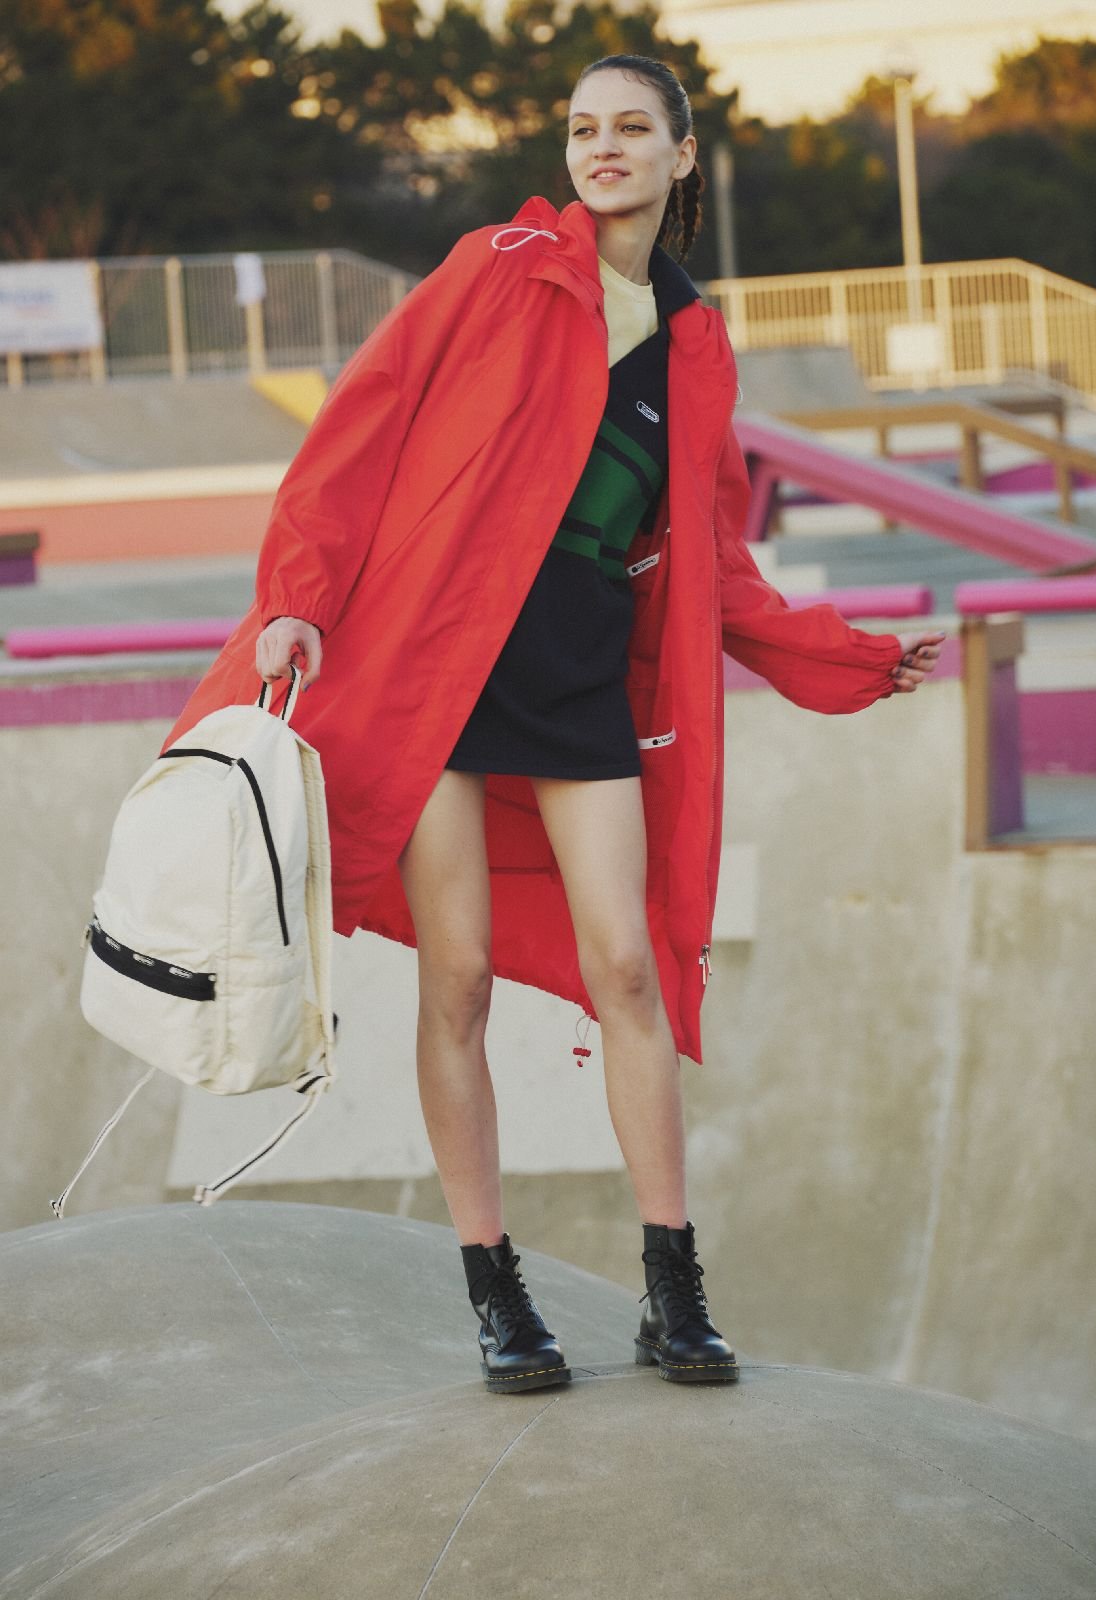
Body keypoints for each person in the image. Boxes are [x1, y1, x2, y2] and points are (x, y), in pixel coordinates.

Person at [163, 53, 945, 1395]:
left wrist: (850, 655)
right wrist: (295, 599)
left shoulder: (695, 346)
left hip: (581, 682)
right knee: (458, 978)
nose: (603, 147)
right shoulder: (498, 267)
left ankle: (672, 1288)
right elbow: (357, 433)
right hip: (444, 671)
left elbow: (713, 559)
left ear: (683, 156)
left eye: (633, 128)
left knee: (629, 968)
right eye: (584, 128)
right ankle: (495, 1289)